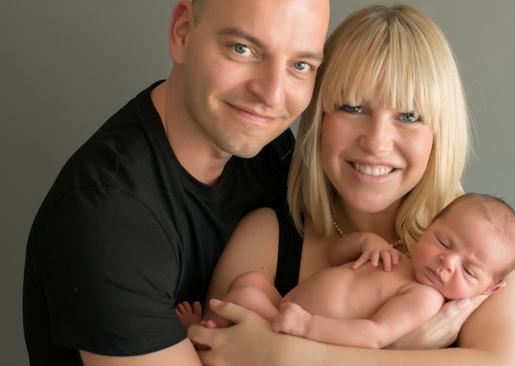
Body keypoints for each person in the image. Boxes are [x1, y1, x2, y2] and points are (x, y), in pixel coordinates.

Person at [188, 4, 515, 366]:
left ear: (440, 133)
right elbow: (214, 350)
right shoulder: (265, 236)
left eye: (409, 116)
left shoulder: (486, 249)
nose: (376, 142)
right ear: (319, 116)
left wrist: (287, 353)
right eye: (353, 108)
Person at [22, 0, 329, 365]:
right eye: (242, 48)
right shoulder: (107, 213)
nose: (272, 95)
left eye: (300, 65)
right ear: (182, 32)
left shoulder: (269, 150)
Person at [177, 193, 515, 349]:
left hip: (299, 332)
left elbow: (374, 335)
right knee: (249, 284)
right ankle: (205, 335)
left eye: (469, 270)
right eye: (444, 243)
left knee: (244, 299)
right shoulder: (398, 260)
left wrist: (307, 325)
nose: (448, 263)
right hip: (284, 308)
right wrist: (365, 243)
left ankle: (203, 339)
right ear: (430, 225)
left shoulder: (424, 299)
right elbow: (333, 255)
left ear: (489, 289)